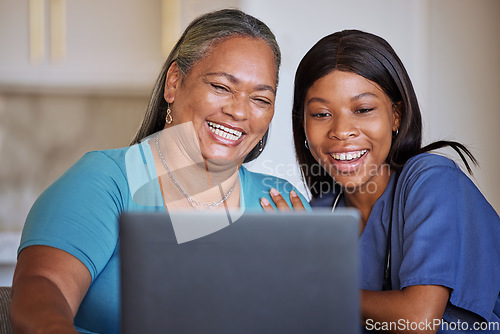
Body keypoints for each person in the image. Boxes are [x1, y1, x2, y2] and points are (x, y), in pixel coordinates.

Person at [10, 9, 309, 334]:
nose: (239, 110)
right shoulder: (107, 182)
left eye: (261, 99)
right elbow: (41, 290)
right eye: (222, 86)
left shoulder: (282, 203)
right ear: (174, 83)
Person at [262, 30, 500, 333]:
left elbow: (417, 322)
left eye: (362, 110)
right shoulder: (319, 213)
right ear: (303, 125)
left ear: (396, 115)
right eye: (321, 114)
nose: (342, 131)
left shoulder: (431, 180)